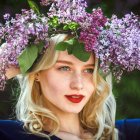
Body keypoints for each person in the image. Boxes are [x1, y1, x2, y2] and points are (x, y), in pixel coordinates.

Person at [0, 0, 140, 140]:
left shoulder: (124, 133)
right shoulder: (12, 134)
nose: (78, 84)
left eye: (89, 70)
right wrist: (4, 62)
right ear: (37, 72)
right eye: (64, 68)